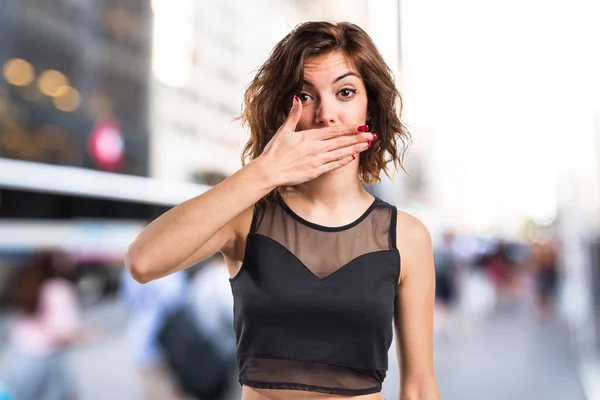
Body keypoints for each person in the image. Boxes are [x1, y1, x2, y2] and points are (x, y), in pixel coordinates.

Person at [126, 21, 440, 400]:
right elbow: (143, 262)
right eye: (305, 96)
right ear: (282, 112)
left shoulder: (406, 236)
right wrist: (265, 171)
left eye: (345, 92)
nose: (326, 114)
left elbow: (419, 387)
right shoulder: (248, 218)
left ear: (369, 107)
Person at [2, 249, 88, 400]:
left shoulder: (25, 283)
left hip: (19, 358)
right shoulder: (58, 289)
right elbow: (64, 331)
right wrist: (85, 333)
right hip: (47, 361)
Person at [119, 267, 187, 400]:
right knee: (172, 391)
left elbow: (126, 301)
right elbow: (178, 303)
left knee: (152, 390)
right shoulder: (171, 270)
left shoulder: (130, 268)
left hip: (140, 338)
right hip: (167, 343)